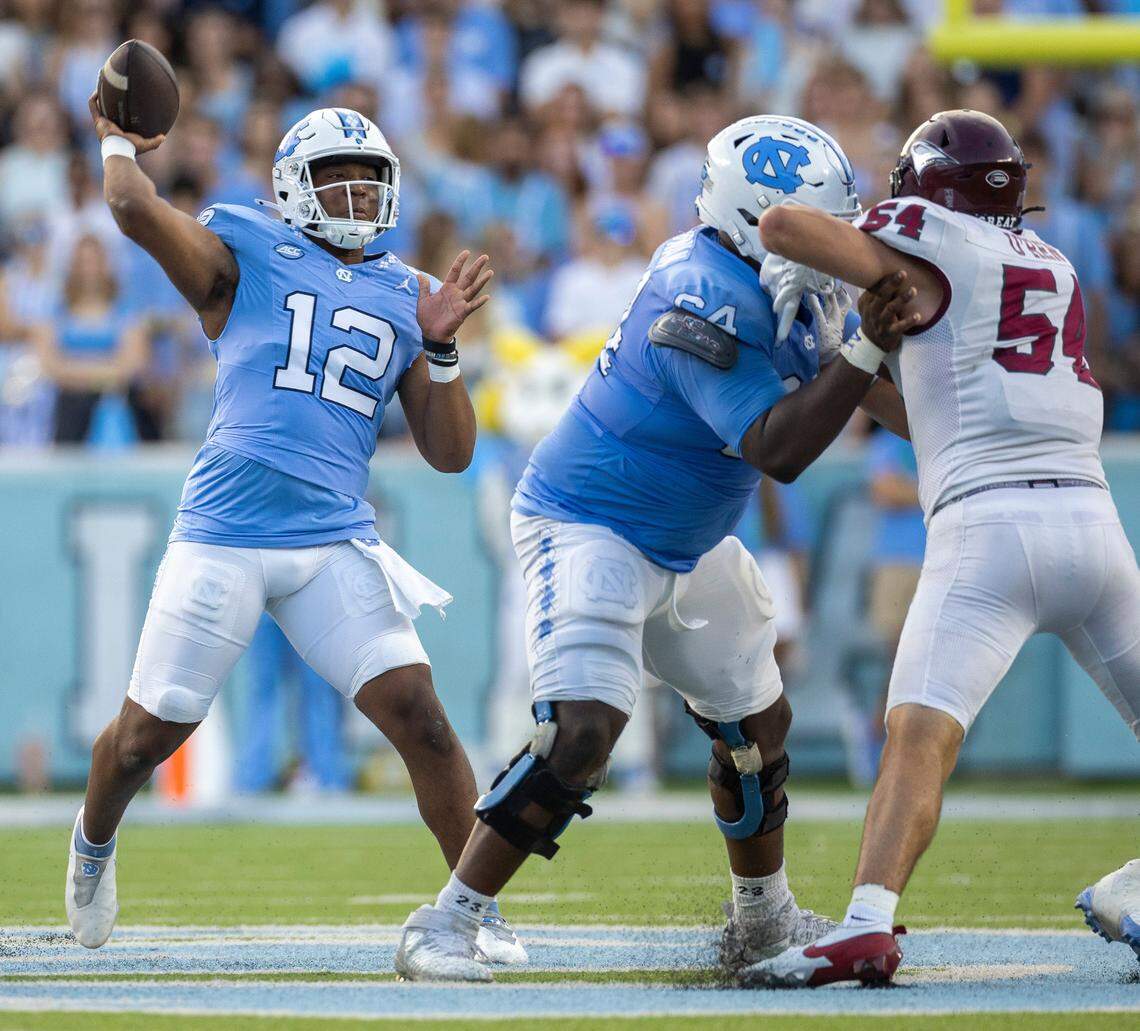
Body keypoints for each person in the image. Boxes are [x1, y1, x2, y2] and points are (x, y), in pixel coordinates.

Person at [393, 114, 913, 983]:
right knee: (584, 732)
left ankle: (762, 919)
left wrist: (947, 408)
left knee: (758, 726)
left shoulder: (781, 277)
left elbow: (870, 389)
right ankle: (445, 921)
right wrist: (866, 343)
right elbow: (778, 449)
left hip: (688, 535)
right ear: (757, 219)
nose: (831, 244)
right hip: (591, 517)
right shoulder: (697, 290)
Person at [65, 99, 526, 968]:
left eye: (368, 178)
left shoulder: (410, 291)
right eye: (335, 177)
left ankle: (469, 909)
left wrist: (442, 351)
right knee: (143, 738)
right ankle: (92, 842)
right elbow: (131, 208)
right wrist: (120, 137)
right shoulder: (246, 248)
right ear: (290, 188)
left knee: (423, 721)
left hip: (332, 540)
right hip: (225, 533)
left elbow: (451, 453)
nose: (355, 193)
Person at [743, 109, 1140, 987]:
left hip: (988, 529)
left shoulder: (933, 233)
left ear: (929, 190)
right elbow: (932, 403)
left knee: (918, 735)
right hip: (1093, 525)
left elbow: (781, 226)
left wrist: (828, 277)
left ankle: (866, 923)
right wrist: (856, 354)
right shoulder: (1054, 263)